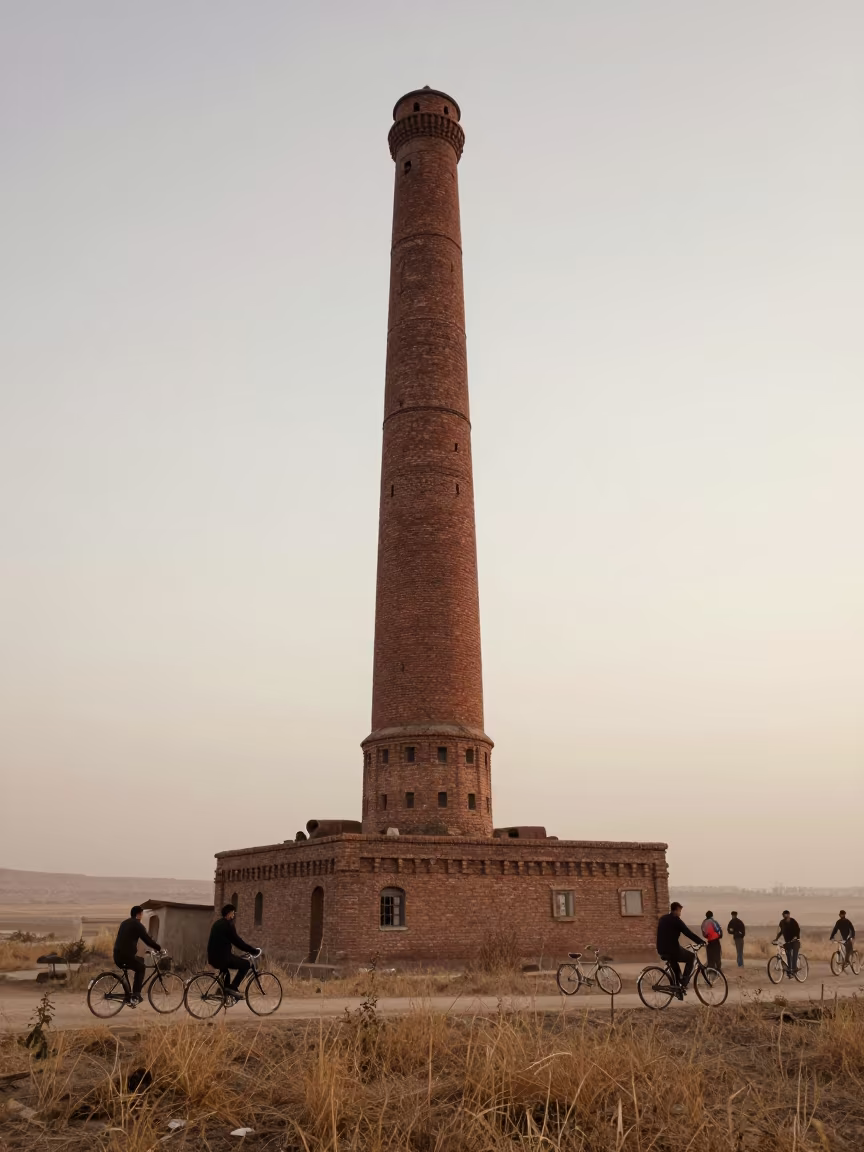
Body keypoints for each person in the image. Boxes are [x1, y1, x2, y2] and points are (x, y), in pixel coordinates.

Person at [207, 903, 261, 999]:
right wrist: (252, 950)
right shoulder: (228, 925)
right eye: (233, 913)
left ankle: (222, 992)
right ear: (229, 914)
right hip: (223, 958)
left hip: (212, 957)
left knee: (226, 971)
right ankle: (233, 988)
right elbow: (237, 942)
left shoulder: (217, 924)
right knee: (245, 965)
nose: (233, 915)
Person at [113, 906, 160, 1006]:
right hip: (126, 956)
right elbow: (147, 940)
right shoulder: (138, 925)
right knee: (141, 968)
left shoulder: (124, 923)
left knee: (140, 960)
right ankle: (135, 996)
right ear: (139, 914)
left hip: (117, 955)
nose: (142, 916)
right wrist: (159, 948)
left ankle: (131, 994)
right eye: (142, 914)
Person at [657, 902, 703, 997]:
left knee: (675, 965)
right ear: (677, 909)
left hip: (661, 949)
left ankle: (678, 989)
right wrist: (701, 941)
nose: (680, 913)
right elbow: (688, 933)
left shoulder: (663, 919)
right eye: (680, 911)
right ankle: (684, 980)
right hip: (672, 949)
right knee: (691, 957)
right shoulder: (676, 921)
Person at [772, 910, 801, 978]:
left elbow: (798, 929)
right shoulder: (782, 922)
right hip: (787, 941)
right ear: (783, 915)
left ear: (789, 915)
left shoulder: (793, 921)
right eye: (784, 915)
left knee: (794, 954)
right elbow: (780, 931)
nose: (785, 916)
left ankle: (794, 968)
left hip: (795, 941)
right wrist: (776, 939)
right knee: (788, 955)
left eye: (787, 915)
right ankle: (790, 972)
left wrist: (796, 936)